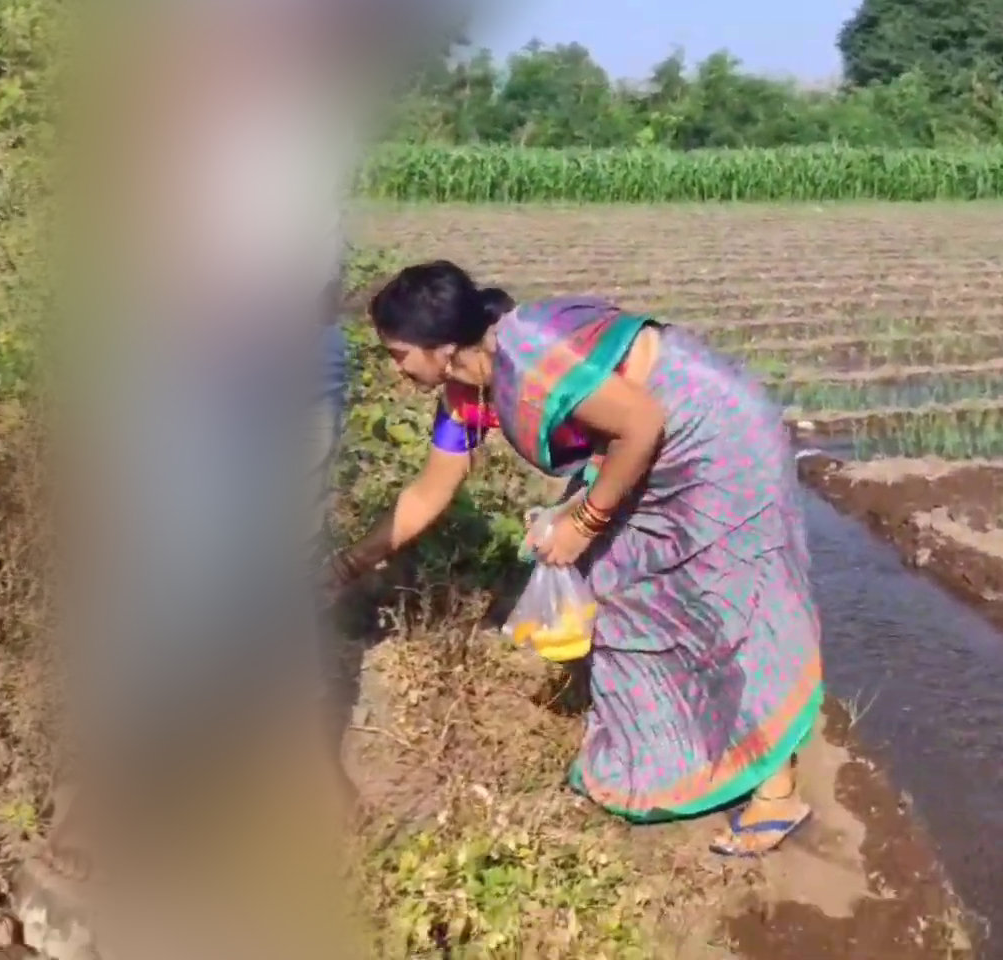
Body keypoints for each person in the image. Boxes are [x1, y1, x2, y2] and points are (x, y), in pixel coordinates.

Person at [333, 260, 825, 856]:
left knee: (723, 597)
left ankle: (776, 790)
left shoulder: (530, 360)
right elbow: (428, 493)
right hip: (652, 445)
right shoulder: (469, 392)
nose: (396, 368)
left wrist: (585, 521)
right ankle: (680, 740)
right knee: (623, 585)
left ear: (441, 348)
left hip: (714, 436)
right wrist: (347, 565)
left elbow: (641, 421)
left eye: (398, 354)